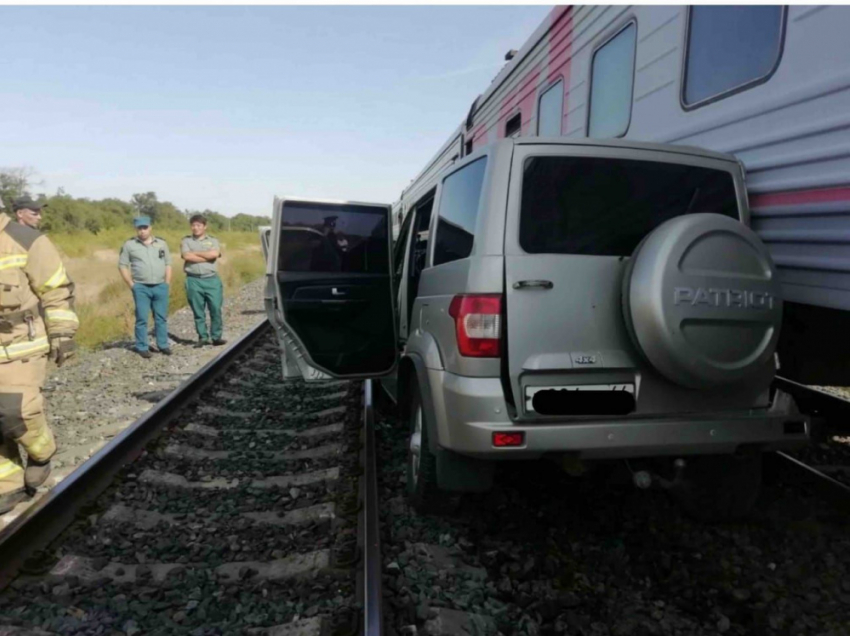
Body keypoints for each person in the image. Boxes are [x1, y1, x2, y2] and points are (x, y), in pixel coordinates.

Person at [0, 211, 78, 513]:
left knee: (14, 410)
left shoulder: (26, 240)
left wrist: (62, 333)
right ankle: (8, 483)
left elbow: (57, 290)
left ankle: (42, 452)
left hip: (22, 343)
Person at [118, 217, 172, 359]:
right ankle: (142, 346)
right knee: (142, 318)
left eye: (145, 228)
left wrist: (167, 283)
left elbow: (168, 263)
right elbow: (123, 265)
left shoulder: (161, 243)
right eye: (139, 228)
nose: (142, 231)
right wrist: (131, 284)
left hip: (160, 286)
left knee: (161, 317)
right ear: (136, 229)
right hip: (141, 287)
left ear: (150, 228)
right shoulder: (129, 245)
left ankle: (163, 344)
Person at [180, 214, 226, 347]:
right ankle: (203, 337)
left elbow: (215, 254)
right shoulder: (186, 241)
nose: (195, 228)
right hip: (193, 280)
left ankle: (216, 337)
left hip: (211, 280)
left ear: (205, 227)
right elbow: (186, 255)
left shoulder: (213, 240)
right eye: (193, 225)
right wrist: (207, 257)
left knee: (215, 309)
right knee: (198, 311)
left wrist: (195, 253)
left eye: (199, 225)